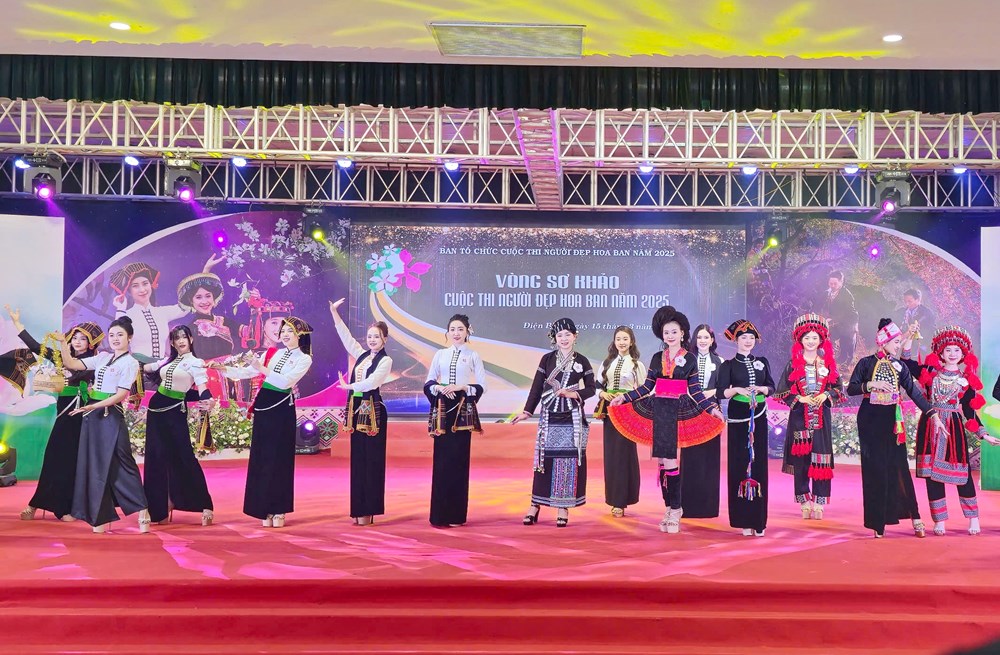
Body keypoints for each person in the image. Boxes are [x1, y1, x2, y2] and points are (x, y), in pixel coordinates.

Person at [609, 307, 724, 534]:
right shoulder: (656, 357)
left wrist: (711, 409)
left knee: (670, 461)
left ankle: (676, 509)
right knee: (662, 461)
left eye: (674, 332)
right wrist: (625, 397)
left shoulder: (689, 358)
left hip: (679, 411)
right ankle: (669, 508)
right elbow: (647, 387)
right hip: (659, 410)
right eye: (666, 332)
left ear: (682, 333)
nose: (670, 336)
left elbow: (695, 390)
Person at [847, 318, 944, 538]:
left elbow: (914, 391)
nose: (898, 345)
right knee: (875, 469)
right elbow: (851, 389)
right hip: (870, 420)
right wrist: (870, 385)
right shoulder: (866, 363)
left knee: (899, 466)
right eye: (896, 342)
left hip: (892, 421)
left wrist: (933, 414)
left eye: (900, 341)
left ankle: (915, 516)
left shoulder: (900, 366)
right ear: (883, 342)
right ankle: (877, 522)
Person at [902, 325, 1000, 535]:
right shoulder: (930, 373)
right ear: (941, 352)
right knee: (932, 476)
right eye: (948, 350)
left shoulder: (967, 381)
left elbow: (969, 412)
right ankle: (939, 520)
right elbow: (907, 362)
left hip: (953, 429)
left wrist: (984, 434)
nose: (952, 354)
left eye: (957, 350)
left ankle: (973, 518)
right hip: (930, 426)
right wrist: (909, 336)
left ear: (963, 354)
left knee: (962, 475)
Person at [58, 316, 151, 534]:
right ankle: (99, 516)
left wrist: (93, 406)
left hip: (109, 413)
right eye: (112, 335)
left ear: (129, 337)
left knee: (123, 462)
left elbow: (120, 395)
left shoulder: (130, 363)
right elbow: (71, 364)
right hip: (93, 414)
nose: (115, 339)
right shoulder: (102, 357)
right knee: (94, 464)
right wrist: (63, 343)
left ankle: (143, 510)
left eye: (120, 335)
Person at [218, 317, 313, 528]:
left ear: (300, 335)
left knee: (279, 458)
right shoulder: (274, 353)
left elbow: (284, 382)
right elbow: (247, 372)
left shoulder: (304, 359)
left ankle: (279, 508)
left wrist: (261, 367)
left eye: (290, 331)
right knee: (262, 457)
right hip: (264, 405)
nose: (284, 334)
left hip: (282, 408)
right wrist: (223, 369)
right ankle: (262, 507)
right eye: (283, 330)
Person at [13, 308, 103, 521]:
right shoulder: (61, 357)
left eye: (83, 339)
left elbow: (80, 377)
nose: (77, 342)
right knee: (54, 456)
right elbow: (36, 347)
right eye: (75, 337)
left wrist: (67, 377)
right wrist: (18, 323)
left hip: (82, 413)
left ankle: (67, 507)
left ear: (91, 343)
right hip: (64, 413)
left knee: (73, 460)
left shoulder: (94, 361)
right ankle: (36, 503)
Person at [512, 318, 596, 528]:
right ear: (554, 338)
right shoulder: (547, 359)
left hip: (571, 417)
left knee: (567, 460)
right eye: (560, 335)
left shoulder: (582, 360)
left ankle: (563, 507)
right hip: (549, 415)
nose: (564, 339)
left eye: (568, 334)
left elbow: (591, 388)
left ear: (575, 336)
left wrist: (572, 393)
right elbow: (537, 386)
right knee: (543, 459)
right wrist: (527, 411)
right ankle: (535, 505)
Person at [142, 325, 216, 526]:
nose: (181, 340)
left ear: (191, 339)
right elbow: (146, 368)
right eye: (176, 338)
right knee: (156, 458)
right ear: (173, 343)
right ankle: (160, 507)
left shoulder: (196, 363)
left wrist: (208, 399)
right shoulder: (167, 361)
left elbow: (202, 385)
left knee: (184, 456)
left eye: (184, 337)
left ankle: (205, 504)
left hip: (175, 411)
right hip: (156, 410)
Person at [775, 313, 844, 520]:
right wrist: (801, 399)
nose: (811, 341)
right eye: (807, 338)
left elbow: (839, 389)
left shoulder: (828, 363)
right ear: (800, 340)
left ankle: (820, 502)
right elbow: (781, 392)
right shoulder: (792, 364)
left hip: (821, 419)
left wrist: (825, 395)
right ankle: (804, 501)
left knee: (821, 459)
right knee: (802, 462)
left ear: (821, 339)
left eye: (815, 337)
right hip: (799, 420)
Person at [330, 299, 392, 526]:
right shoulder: (362, 355)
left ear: (385, 339)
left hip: (373, 411)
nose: (372, 340)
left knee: (371, 460)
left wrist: (349, 386)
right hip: (356, 409)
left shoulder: (386, 360)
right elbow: (346, 337)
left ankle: (369, 509)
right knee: (358, 460)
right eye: (370, 336)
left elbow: (372, 382)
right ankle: (358, 508)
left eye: (377, 337)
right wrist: (334, 313)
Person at [424, 314, 487, 527]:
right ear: (447, 332)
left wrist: (462, 387)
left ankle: (457, 515)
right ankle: (439, 515)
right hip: (443, 409)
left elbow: (482, 385)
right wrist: (439, 388)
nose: (456, 333)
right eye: (452, 329)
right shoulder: (440, 354)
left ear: (468, 331)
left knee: (459, 461)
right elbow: (429, 382)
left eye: (460, 329)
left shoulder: (473, 355)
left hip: (462, 410)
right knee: (441, 462)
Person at [716, 320, 775, 537]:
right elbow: (721, 392)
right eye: (743, 338)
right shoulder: (728, 365)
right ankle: (742, 519)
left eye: (751, 338)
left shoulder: (762, 362)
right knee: (739, 463)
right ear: (736, 340)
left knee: (758, 463)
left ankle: (759, 521)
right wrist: (738, 390)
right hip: (738, 416)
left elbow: (772, 387)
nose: (748, 341)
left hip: (758, 415)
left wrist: (761, 389)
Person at [594, 326, 646, 518]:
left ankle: (624, 499)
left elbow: (644, 389)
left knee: (625, 455)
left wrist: (627, 398)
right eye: (618, 339)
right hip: (610, 412)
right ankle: (615, 500)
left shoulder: (637, 365)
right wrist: (603, 394)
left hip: (627, 412)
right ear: (614, 341)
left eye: (625, 339)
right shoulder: (607, 362)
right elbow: (597, 385)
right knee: (611, 455)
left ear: (631, 342)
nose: (622, 342)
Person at [176, 268, 238, 400]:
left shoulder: (224, 321)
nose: (204, 301)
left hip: (231, 374)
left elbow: (248, 332)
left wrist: (255, 310)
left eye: (208, 296)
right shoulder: (190, 329)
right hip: (208, 378)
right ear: (191, 301)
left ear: (214, 298)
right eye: (198, 297)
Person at [683, 323, 725, 519]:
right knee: (690, 456)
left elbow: (725, 388)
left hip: (712, 412)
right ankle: (688, 505)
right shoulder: (686, 359)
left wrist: (712, 392)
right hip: (689, 411)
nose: (702, 341)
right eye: (699, 337)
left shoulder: (720, 361)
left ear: (712, 340)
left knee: (710, 457)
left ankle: (708, 507)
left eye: (706, 337)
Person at [109, 262, 189, 362]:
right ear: (129, 291)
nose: (142, 289)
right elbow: (118, 335)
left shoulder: (162, 312)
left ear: (151, 285)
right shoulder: (127, 315)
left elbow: (186, 306)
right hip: (138, 366)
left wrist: (203, 275)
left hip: (161, 365)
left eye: (145, 284)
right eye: (135, 286)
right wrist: (120, 308)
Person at [818, 271, 859, 371]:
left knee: (847, 344)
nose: (832, 286)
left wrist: (833, 319)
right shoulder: (827, 293)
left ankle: (847, 364)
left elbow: (849, 313)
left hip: (849, 322)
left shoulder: (847, 295)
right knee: (826, 336)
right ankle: (829, 358)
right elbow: (823, 306)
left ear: (841, 282)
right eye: (830, 283)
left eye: (835, 284)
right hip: (834, 322)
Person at [901, 288, 937, 360]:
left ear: (918, 300)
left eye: (909, 301)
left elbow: (931, 330)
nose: (907, 304)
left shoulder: (927, 313)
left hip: (921, 347)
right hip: (904, 345)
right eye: (905, 301)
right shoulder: (902, 312)